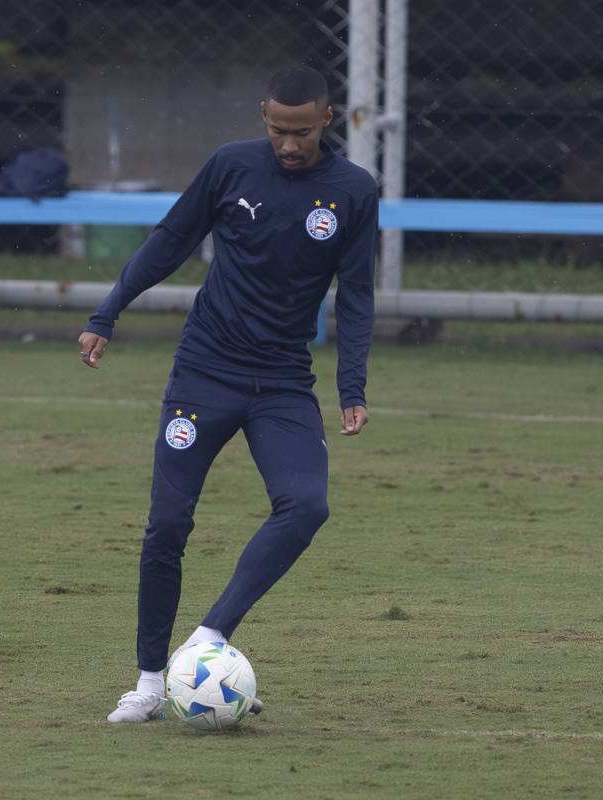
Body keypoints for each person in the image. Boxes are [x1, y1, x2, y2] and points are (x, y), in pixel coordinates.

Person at [78, 65, 379, 723]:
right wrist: (108, 312)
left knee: (306, 505)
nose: (289, 145)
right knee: (167, 524)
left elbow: (356, 293)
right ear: (263, 118)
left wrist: (350, 385)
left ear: (327, 121)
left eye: (301, 132)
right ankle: (152, 683)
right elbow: (170, 240)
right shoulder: (230, 167)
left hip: (281, 381)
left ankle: (208, 639)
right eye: (277, 130)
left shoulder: (353, 191)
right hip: (203, 374)